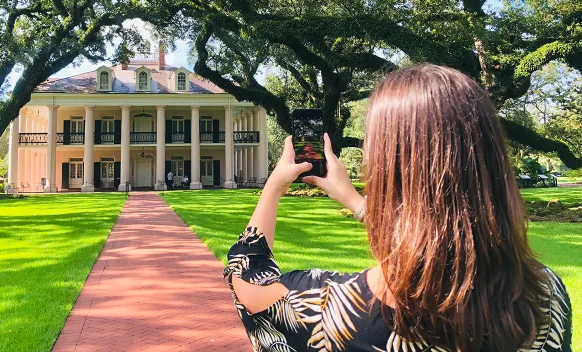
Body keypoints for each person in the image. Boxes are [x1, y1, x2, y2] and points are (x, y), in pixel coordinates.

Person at [224, 65, 572, 352]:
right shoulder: (546, 296)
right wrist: (354, 202)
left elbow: (246, 271)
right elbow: (436, 237)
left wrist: (274, 185)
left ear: (385, 171)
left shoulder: (331, 314)